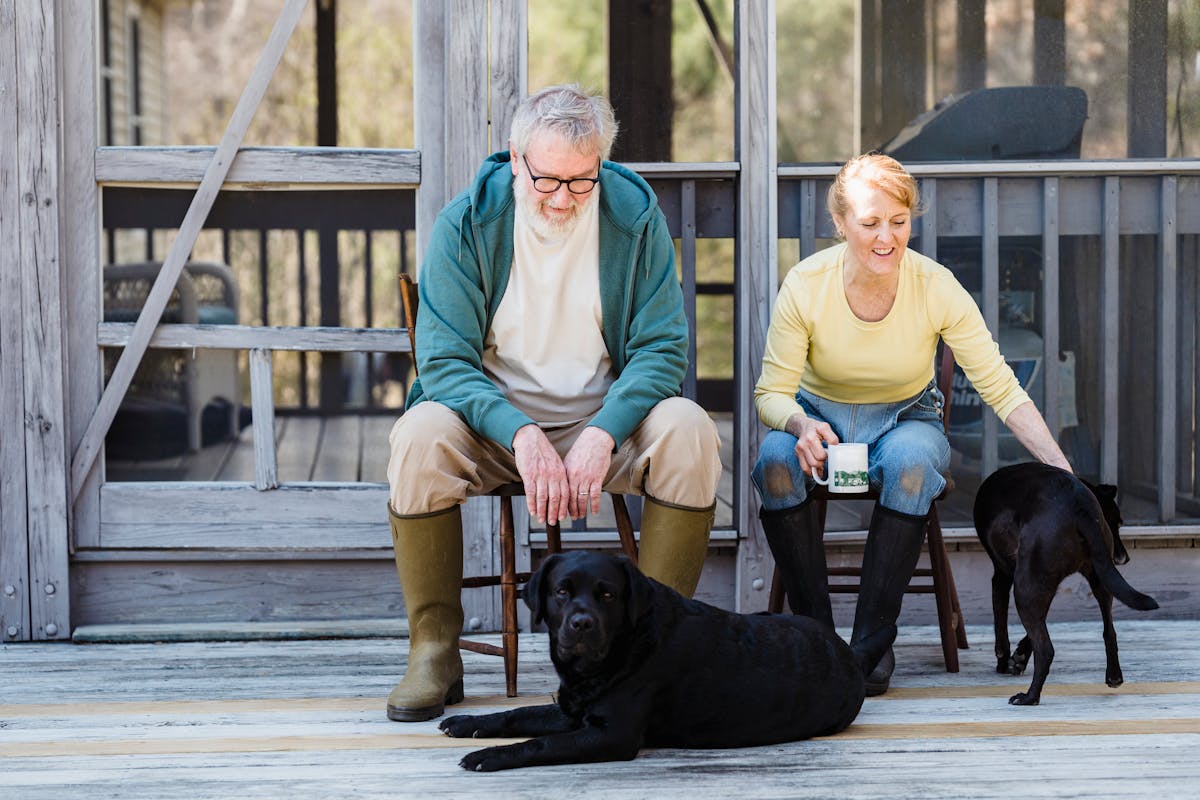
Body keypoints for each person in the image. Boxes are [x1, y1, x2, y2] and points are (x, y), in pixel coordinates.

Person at [384, 84, 722, 722]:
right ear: (515, 160)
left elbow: (661, 350)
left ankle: (655, 657)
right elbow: (445, 362)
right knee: (418, 436)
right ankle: (434, 649)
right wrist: (520, 432)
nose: (564, 198)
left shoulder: (634, 214)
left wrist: (603, 432)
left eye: (581, 181)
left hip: (603, 419)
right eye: (547, 181)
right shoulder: (466, 223)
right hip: (490, 425)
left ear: (601, 164)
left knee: (688, 429)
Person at [752, 153, 1071, 696]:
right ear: (840, 223)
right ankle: (815, 641)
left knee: (910, 464)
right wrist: (800, 423)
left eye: (898, 222)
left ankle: (870, 649)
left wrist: (1061, 472)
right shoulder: (806, 283)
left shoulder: (935, 284)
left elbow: (998, 382)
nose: (886, 237)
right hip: (818, 417)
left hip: (906, 418)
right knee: (775, 463)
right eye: (870, 223)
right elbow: (771, 394)